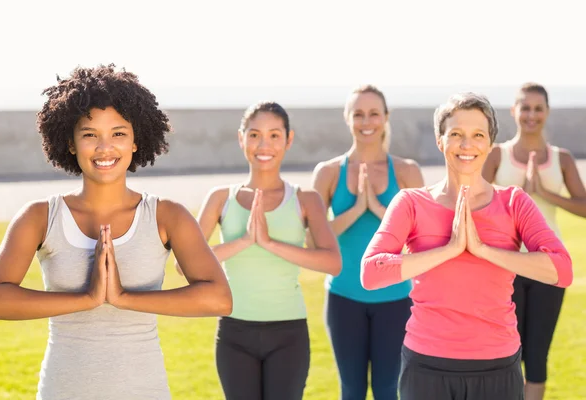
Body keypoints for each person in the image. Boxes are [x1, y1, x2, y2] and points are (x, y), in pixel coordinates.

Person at [0, 64, 232, 400]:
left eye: (118, 133)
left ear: (135, 141)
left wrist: (123, 298)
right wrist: (86, 299)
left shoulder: (166, 216)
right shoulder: (40, 217)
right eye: (90, 134)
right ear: (70, 143)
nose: (105, 147)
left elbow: (219, 298)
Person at [361, 92, 573, 400]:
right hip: (427, 367)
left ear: (490, 144)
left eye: (477, 135)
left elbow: (563, 270)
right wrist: (448, 249)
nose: (467, 144)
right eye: (456, 134)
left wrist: (483, 250)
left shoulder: (514, 202)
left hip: (498, 366)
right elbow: (371, 273)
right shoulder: (411, 203)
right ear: (440, 140)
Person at [181, 101, 341, 400]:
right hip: (234, 332)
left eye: (274, 135)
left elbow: (332, 262)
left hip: (288, 333)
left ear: (288, 140)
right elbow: (185, 265)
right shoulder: (220, 198)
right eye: (254, 135)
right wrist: (243, 242)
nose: (263, 144)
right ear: (241, 138)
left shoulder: (306, 199)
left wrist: (269, 243)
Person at [311, 85, 423, 400]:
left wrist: (377, 209)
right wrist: (357, 209)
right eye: (358, 114)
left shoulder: (406, 171)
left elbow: (422, 238)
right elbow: (312, 238)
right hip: (344, 297)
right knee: (352, 390)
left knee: (389, 390)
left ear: (386, 117)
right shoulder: (328, 173)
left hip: (396, 299)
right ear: (348, 119)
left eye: (374, 113)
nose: (366, 121)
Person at [482, 82, 586, 400]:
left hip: (548, 268)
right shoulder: (497, 155)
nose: (531, 114)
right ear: (514, 111)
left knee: (537, 357)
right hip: (506, 267)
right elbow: (475, 204)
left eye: (538, 108)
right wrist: (520, 197)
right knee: (504, 354)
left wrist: (544, 193)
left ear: (547, 112)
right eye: (525, 107)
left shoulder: (562, 159)